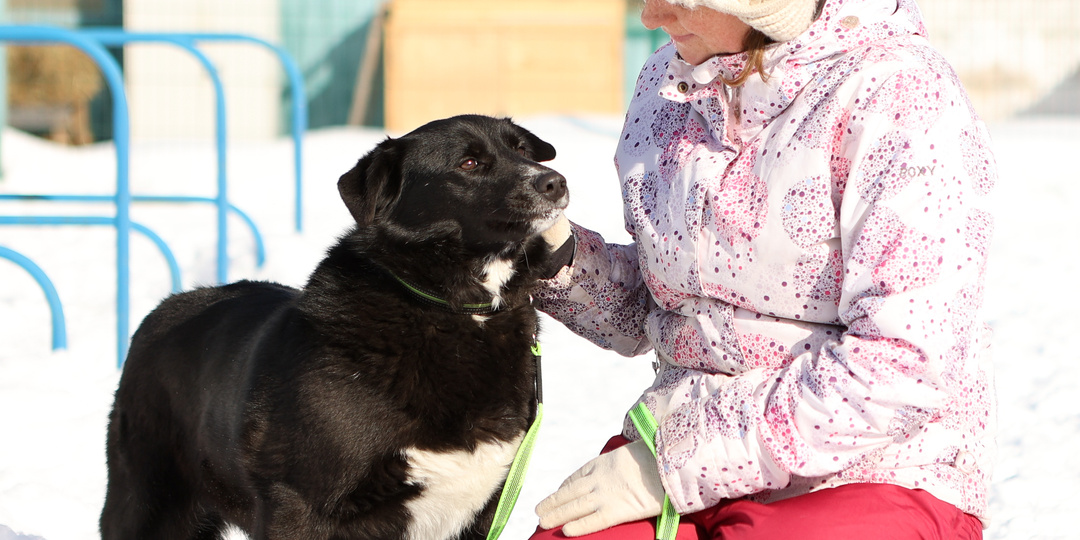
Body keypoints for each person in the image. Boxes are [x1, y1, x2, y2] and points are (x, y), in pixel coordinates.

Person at [530, 0, 997, 538]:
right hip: (681, 437)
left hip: (873, 467)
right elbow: (671, 305)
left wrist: (679, 465)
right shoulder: (670, 82)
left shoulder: (900, 94)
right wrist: (551, 256)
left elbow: (905, 363)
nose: (651, 17)